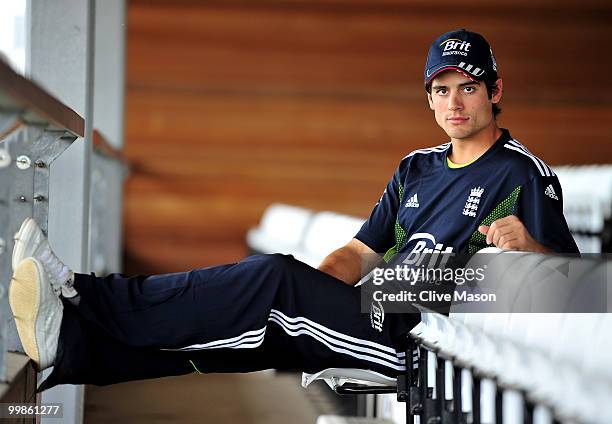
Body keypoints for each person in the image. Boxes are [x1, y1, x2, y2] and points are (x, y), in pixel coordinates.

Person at [8, 29, 578, 391]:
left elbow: (575, 290)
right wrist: (323, 289)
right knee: (243, 326)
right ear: (428, 98)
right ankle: (74, 348)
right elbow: (360, 251)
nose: (455, 102)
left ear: (495, 91)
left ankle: (86, 294)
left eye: (469, 88)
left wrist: (529, 251)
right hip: (375, 309)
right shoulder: (417, 168)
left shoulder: (523, 173)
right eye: (441, 89)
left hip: (425, 338)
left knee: (271, 282)